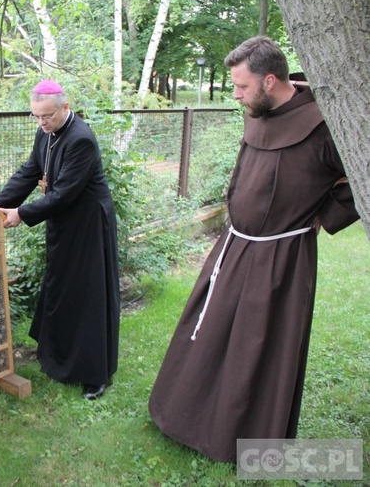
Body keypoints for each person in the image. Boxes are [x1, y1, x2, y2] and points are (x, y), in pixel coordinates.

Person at [148, 36, 359, 462]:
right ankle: (186, 417)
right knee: (208, 333)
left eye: (242, 87)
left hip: (281, 258)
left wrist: (325, 215)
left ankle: (241, 439)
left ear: (269, 80)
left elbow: (360, 178)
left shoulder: (323, 125)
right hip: (235, 247)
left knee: (257, 347)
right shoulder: (258, 111)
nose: (236, 95)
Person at [0, 79, 120, 400]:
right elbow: (28, 171)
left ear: (66, 107)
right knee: (62, 289)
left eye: (47, 116)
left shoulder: (81, 140)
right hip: (63, 224)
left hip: (88, 226)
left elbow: (62, 194)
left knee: (88, 296)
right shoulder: (46, 133)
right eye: (37, 117)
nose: (42, 123)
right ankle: (59, 360)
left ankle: (95, 375)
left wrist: (20, 213)